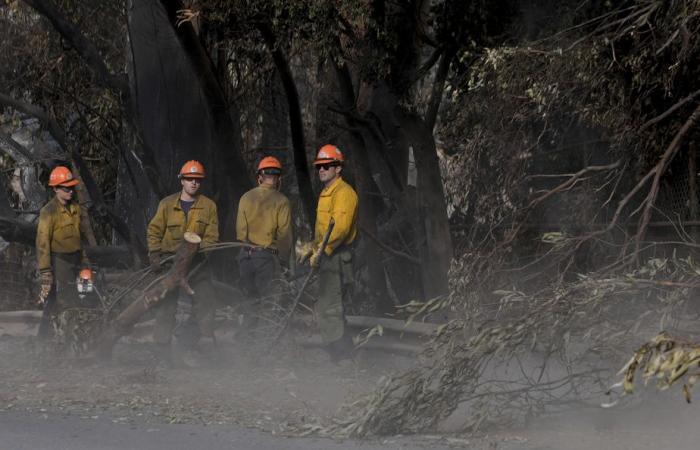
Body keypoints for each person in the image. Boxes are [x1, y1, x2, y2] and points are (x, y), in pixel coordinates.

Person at [146, 160, 219, 361]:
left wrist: (202, 254)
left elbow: (212, 236)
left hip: (197, 263)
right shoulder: (167, 205)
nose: (194, 183)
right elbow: (154, 230)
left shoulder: (208, 206)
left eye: (197, 180)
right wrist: (154, 254)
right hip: (170, 262)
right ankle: (162, 354)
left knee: (205, 301)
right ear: (182, 181)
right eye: (189, 179)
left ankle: (187, 343)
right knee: (166, 306)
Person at [299, 144, 359, 360]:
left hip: (337, 256)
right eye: (319, 166)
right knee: (326, 305)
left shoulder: (344, 193)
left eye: (326, 166)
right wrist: (313, 247)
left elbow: (340, 228)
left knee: (332, 307)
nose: (321, 170)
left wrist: (324, 249)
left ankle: (342, 356)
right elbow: (322, 229)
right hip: (326, 254)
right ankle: (339, 353)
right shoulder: (326, 193)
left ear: (338, 168)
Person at [36, 166, 89, 339]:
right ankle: (56, 338)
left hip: (76, 259)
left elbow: (79, 236)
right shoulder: (48, 212)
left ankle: (70, 335)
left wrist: (84, 259)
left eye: (72, 188)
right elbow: (42, 243)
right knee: (63, 300)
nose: (70, 192)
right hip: (60, 260)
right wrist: (45, 271)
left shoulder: (75, 208)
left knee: (82, 295)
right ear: (56, 189)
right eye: (66, 189)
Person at [236, 156, 293, 301]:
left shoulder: (245, 197)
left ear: (260, 176)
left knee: (249, 302)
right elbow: (284, 236)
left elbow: (241, 233)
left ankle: (248, 324)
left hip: (245, 258)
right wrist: (284, 260)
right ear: (278, 178)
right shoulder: (282, 201)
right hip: (266, 258)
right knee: (268, 303)